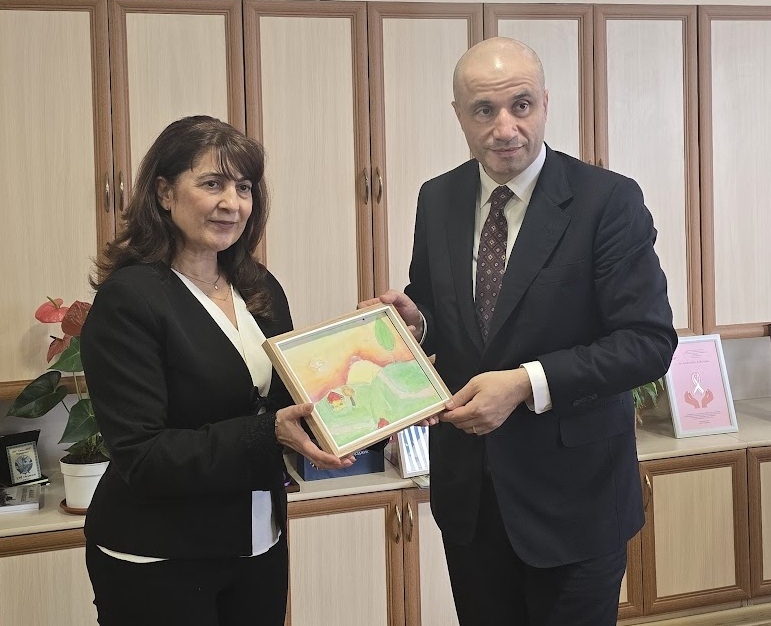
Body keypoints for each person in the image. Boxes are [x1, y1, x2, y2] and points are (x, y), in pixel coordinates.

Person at [361, 38, 677, 625]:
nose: (505, 128)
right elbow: (443, 311)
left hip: (575, 503)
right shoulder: (438, 198)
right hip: (471, 501)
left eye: (521, 105)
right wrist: (418, 322)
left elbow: (647, 342)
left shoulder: (607, 201)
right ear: (459, 115)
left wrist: (526, 382)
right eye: (484, 110)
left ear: (545, 104)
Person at [80, 115, 354, 626]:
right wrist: (269, 433)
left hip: (259, 542)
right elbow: (142, 455)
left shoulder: (260, 287)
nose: (233, 203)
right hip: (159, 556)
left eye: (243, 187)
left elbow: (290, 404)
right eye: (212, 184)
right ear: (164, 193)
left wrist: (375, 400)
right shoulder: (130, 299)